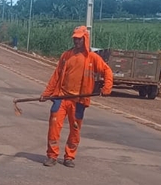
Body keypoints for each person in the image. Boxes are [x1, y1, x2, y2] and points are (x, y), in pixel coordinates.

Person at [38, 25, 113, 167]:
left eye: (79, 39)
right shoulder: (66, 56)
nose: (76, 41)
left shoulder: (92, 58)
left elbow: (107, 71)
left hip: (79, 101)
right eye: (75, 39)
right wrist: (47, 94)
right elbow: (56, 76)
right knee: (54, 128)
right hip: (61, 98)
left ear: (85, 39)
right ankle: (52, 156)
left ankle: (69, 157)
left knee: (75, 130)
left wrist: (107, 87)